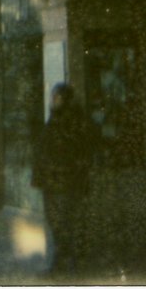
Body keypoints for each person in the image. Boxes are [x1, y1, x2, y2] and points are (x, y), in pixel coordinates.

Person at [32, 83, 94, 277]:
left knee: (67, 224)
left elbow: (79, 153)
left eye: (57, 98)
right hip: (53, 183)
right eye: (53, 97)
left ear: (66, 99)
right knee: (58, 225)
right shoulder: (57, 119)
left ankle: (71, 265)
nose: (53, 101)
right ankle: (64, 264)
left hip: (65, 183)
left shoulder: (72, 121)